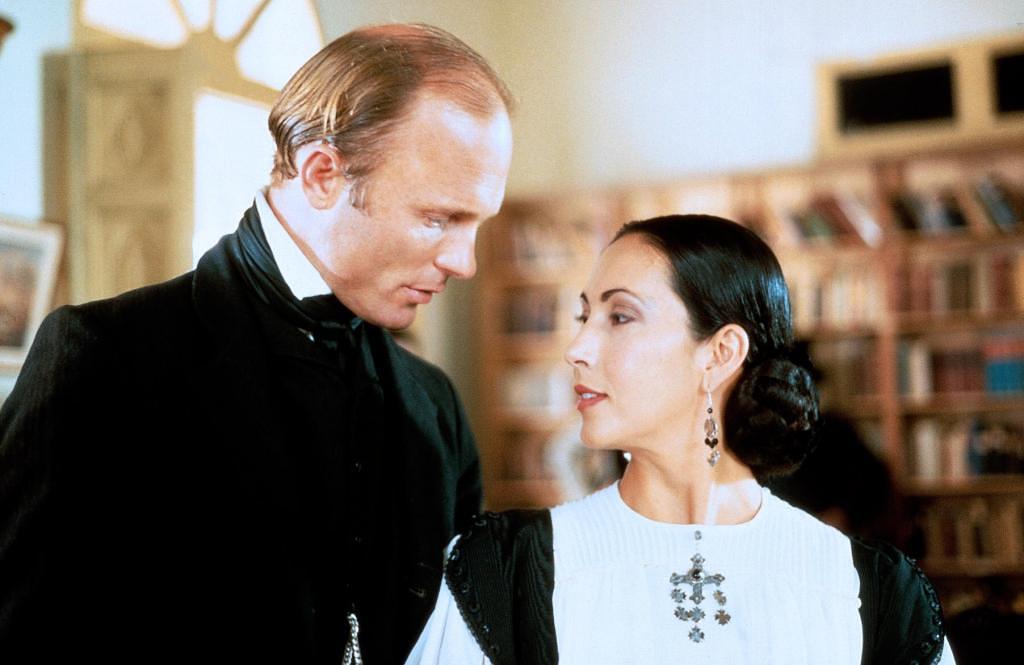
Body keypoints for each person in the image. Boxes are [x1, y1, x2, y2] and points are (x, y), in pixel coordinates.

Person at [0, 24, 513, 664]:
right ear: (322, 174)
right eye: (438, 218)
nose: (465, 262)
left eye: (476, 224)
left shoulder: (434, 406)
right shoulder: (105, 359)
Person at [406, 214, 955, 664]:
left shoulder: (872, 591)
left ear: (720, 353)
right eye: (584, 316)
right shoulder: (505, 569)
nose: (577, 348)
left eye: (620, 317)